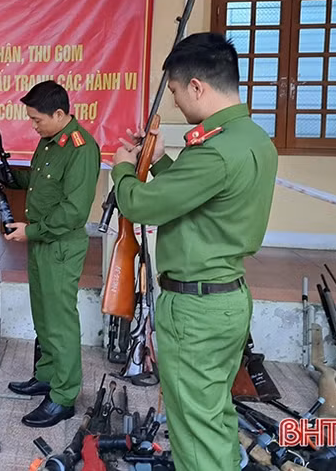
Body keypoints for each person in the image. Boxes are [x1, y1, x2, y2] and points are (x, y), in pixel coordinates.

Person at [110, 32, 278, 471]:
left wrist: (124, 169)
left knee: (193, 431)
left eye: (175, 92)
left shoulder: (216, 152)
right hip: (226, 298)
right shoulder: (250, 138)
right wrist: (163, 161)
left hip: (197, 310)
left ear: (198, 86)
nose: (176, 103)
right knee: (212, 414)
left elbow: (142, 203)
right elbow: (202, 198)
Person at [2, 80, 101, 428]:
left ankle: (64, 396)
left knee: (60, 322)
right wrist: (8, 176)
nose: (33, 125)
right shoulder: (50, 142)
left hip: (59, 244)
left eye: (37, 119)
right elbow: (40, 181)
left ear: (60, 114)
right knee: (43, 316)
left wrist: (31, 230)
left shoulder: (81, 147)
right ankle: (46, 376)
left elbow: (74, 211)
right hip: (42, 242)